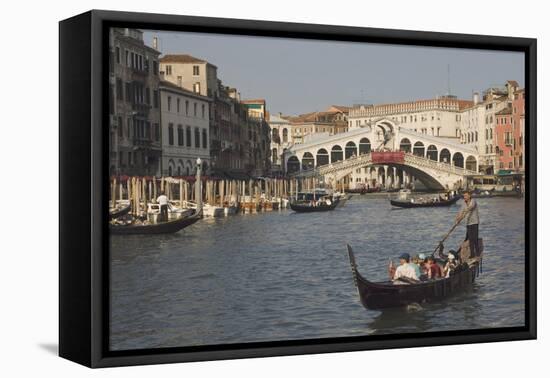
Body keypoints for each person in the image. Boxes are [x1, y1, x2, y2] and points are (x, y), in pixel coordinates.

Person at [456, 190, 480, 258]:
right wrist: (458, 219)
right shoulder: (463, 203)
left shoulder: (473, 201)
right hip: (468, 223)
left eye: (466, 196)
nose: (465, 197)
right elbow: (461, 211)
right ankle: (472, 254)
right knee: (470, 239)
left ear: (469, 196)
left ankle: (477, 252)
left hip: (475, 222)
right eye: (464, 196)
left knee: (475, 238)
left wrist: (464, 213)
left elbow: (471, 207)